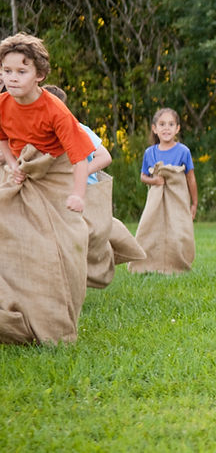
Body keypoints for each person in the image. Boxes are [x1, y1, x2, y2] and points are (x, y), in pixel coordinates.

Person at [0, 33, 93, 343]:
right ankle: (17, 311)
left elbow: (80, 157)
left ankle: (57, 317)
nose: (12, 78)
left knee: (65, 245)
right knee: (12, 241)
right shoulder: (2, 103)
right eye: (6, 71)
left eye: (21, 71)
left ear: (39, 75)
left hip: (55, 172)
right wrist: (12, 165)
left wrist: (78, 194)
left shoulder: (55, 110)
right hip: (21, 174)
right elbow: (2, 138)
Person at [42, 85, 145, 287]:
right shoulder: (38, 134)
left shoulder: (79, 129)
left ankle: (94, 264)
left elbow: (104, 156)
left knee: (93, 233)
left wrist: (81, 172)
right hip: (56, 192)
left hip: (85, 190)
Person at [128, 108, 198, 275]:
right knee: (150, 229)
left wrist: (194, 203)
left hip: (177, 198)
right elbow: (143, 177)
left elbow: (191, 178)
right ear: (154, 129)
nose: (166, 128)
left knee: (180, 230)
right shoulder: (150, 153)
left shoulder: (183, 151)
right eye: (162, 124)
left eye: (171, 124)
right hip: (156, 199)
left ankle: (178, 264)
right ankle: (147, 264)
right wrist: (154, 180)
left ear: (177, 129)